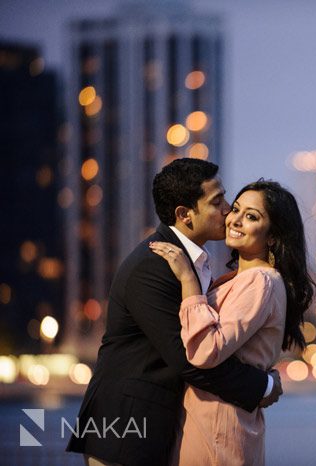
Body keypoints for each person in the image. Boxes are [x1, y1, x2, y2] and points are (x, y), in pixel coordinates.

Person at [67, 160, 283, 466]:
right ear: (184, 215)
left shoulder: (191, 262)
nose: (227, 211)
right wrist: (263, 386)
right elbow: (190, 358)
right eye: (217, 202)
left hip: (153, 427)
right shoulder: (154, 265)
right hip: (125, 429)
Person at [149, 180, 316, 466]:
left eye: (252, 216)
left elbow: (205, 350)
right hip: (211, 423)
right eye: (236, 209)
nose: (235, 220)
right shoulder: (239, 280)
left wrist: (189, 281)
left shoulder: (260, 281)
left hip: (219, 431)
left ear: (273, 236)